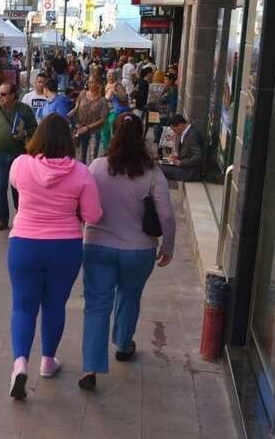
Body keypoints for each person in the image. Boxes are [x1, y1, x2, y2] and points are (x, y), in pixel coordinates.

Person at [6, 114, 102, 399]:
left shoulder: (21, 165)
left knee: (23, 307)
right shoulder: (82, 173)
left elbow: (15, 185)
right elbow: (93, 215)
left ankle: (20, 363)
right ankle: (48, 361)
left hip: (24, 244)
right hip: (65, 246)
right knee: (54, 305)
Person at [80, 113, 176, 390]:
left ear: (114, 133)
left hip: (97, 245)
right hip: (139, 249)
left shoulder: (97, 167)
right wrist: (168, 245)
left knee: (97, 305)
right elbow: (166, 215)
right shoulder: (152, 173)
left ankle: (90, 367)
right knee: (129, 295)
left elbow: (83, 203)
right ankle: (123, 344)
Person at [0, 83, 38, 232]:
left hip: (19, 156)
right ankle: (3, 219)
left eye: (3, 94)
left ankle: (21, 217)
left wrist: (25, 134)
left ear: (13, 95)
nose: (0, 97)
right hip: (0, 155)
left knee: (18, 189)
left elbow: (34, 128)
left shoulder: (24, 110)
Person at [69, 78, 109, 164]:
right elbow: (76, 108)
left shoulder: (103, 101)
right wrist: (68, 116)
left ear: (98, 85)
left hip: (94, 131)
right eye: (89, 82)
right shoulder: (82, 94)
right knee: (80, 155)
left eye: (92, 82)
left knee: (92, 155)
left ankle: (90, 174)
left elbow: (103, 119)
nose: (89, 84)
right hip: (80, 128)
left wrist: (88, 127)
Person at [160, 114, 204, 182]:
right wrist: (176, 157)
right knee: (159, 164)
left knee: (158, 168)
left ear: (180, 125)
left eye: (174, 130)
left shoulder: (193, 135)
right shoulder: (186, 132)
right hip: (184, 168)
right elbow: (188, 153)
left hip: (189, 172)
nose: (174, 132)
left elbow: (198, 156)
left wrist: (181, 162)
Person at [102, 69, 130, 152]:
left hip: (117, 111)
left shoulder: (118, 85)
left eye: (112, 75)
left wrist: (115, 93)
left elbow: (124, 97)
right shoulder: (106, 85)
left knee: (113, 125)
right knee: (104, 129)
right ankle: (106, 149)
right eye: (109, 75)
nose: (110, 76)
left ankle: (115, 148)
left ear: (115, 76)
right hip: (108, 111)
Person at [155, 72, 178, 144]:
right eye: (164, 79)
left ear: (171, 80)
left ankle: (160, 151)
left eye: (166, 79)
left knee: (161, 132)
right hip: (159, 113)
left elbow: (172, 103)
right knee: (158, 131)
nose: (165, 81)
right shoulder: (166, 88)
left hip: (165, 115)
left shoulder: (172, 90)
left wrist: (170, 115)